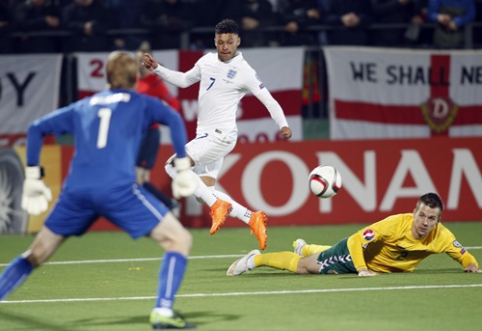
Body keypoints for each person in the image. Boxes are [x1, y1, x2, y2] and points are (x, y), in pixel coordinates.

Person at [0, 51, 197, 329]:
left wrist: (33, 176)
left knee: (36, 254)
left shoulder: (84, 105)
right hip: (117, 190)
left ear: (106, 77)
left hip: (76, 193)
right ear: (134, 77)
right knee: (179, 240)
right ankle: (163, 312)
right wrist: (182, 166)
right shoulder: (141, 102)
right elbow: (175, 118)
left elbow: (36, 128)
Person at [142, 18, 292, 251]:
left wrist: (282, 124)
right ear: (215, 41)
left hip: (220, 135)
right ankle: (252, 218)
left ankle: (218, 206)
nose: (224, 46)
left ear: (238, 42)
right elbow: (183, 81)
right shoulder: (206, 61)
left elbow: (268, 100)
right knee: (204, 192)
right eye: (220, 42)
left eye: (229, 42)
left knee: (172, 167)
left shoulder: (245, 71)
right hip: (207, 136)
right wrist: (157, 69)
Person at [227, 192, 482, 276]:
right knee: (304, 268)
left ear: (438, 220)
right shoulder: (394, 224)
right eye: (422, 215)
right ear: (414, 212)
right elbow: (355, 240)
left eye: (432, 218)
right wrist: (361, 269)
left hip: (370, 263)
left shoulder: (442, 236)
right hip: (354, 257)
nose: (425, 222)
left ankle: (304, 247)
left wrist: (471, 265)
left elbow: (464, 256)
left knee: (321, 255)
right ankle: (254, 260)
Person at [135, 45, 182, 218]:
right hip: (135, 136)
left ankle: (168, 205)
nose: (139, 62)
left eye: (142, 59)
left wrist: (156, 116)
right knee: (136, 181)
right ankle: (166, 206)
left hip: (150, 135)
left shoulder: (155, 82)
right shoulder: (133, 81)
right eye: (137, 59)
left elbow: (174, 106)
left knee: (139, 180)